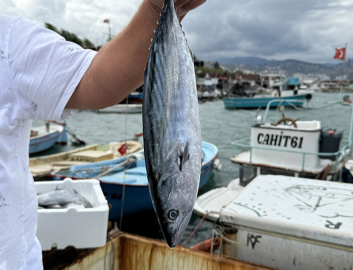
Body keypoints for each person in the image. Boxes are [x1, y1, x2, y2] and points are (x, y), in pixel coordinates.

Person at [0, 0, 206, 269]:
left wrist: (159, 8)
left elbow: (97, 80)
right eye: (173, 211)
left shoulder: (9, 42)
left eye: (175, 211)